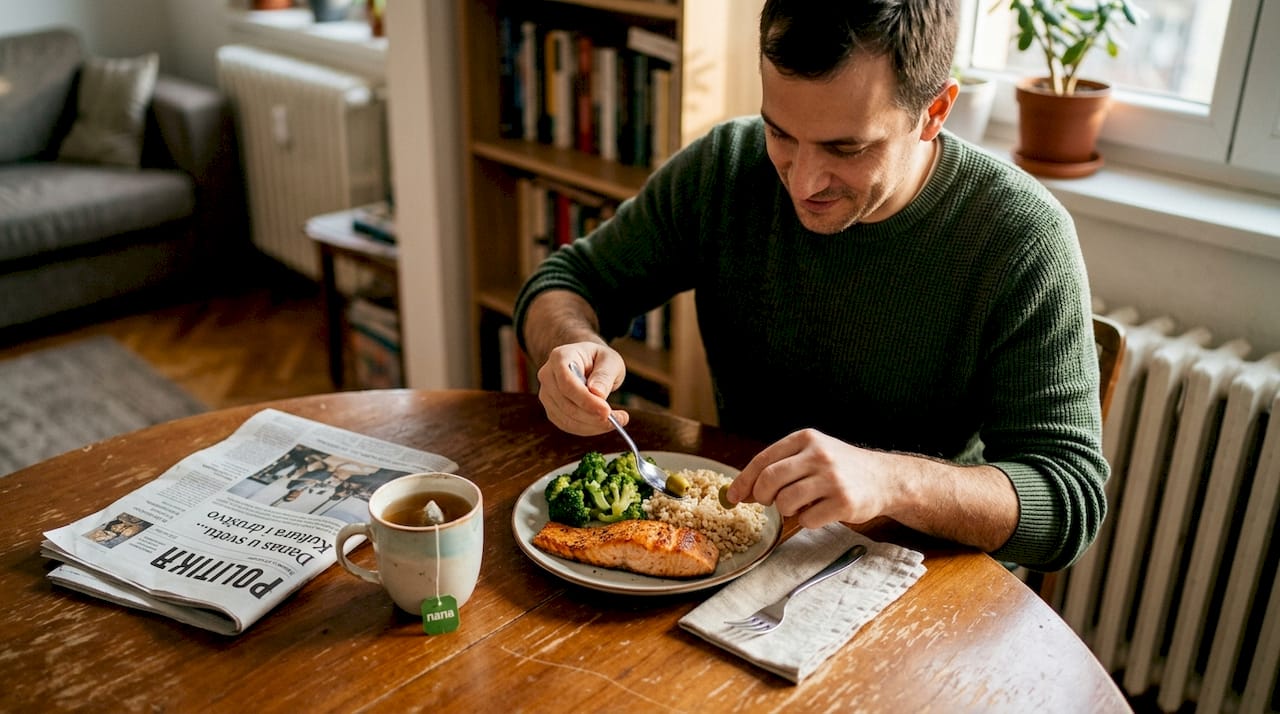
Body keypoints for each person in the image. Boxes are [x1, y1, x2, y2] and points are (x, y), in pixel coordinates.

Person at [513, 0, 1108, 572]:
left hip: (920, 577)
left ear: (934, 112)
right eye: (781, 134)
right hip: (744, 554)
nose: (803, 181)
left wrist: (889, 480)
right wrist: (568, 343)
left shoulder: (1022, 236)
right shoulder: (727, 166)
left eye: (846, 148)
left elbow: (1069, 501)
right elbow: (566, 281)